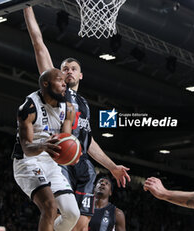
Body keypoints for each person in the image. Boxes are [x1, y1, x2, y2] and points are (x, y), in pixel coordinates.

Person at [23, 7, 131, 231]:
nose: (68, 71)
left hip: (82, 164)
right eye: (64, 69)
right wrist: (28, 7)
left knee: (81, 225)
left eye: (73, 68)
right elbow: (38, 44)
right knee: (57, 212)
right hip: (60, 160)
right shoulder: (56, 91)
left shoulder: (83, 104)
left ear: (81, 75)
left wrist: (112, 167)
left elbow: (88, 141)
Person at [12, 68, 80, 231]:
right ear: (45, 83)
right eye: (59, 80)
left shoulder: (69, 109)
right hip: (27, 162)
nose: (65, 84)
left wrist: (72, 153)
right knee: (49, 207)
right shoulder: (28, 108)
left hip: (50, 163)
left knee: (72, 214)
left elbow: (65, 142)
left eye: (65, 81)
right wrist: (42, 146)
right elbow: (26, 147)